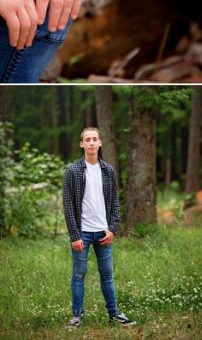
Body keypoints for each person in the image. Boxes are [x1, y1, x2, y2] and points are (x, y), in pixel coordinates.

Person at [63, 127, 136, 328]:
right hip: (82, 233)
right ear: (82, 144)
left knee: (107, 275)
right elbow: (68, 206)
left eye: (95, 139)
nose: (92, 143)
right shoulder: (73, 171)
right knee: (78, 275)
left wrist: (112, 229)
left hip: (104, 232)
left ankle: (114, 314)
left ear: (100, 143)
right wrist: (74, 235)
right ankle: (77, 316)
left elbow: (114, 202)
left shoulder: (108, 170)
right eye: (88, 139)